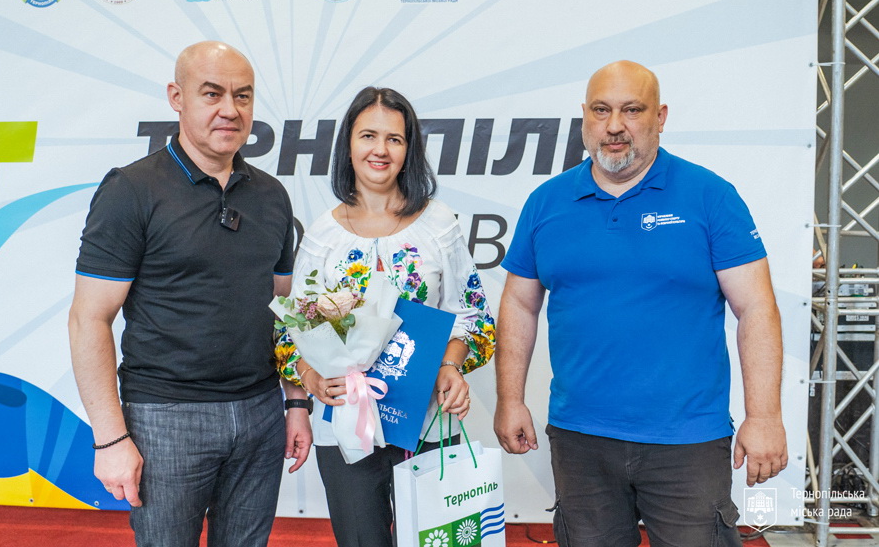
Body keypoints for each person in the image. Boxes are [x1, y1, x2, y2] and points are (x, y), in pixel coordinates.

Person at [493, 60, 787, 546]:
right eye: (601, 110)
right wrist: (510, 399)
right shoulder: (546, 202)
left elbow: (756, 307)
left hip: (687, 441)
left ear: (660, 116)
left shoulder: (710, 196)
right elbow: (519, 305)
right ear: (584, 116)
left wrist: (764, 417)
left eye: (632, 110)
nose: (614, 125)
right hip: (580, 439)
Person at [68, 41, 312, 547]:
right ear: (177, 97)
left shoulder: (272, 195)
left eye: (243, 96)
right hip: (165, 417)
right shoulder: (131, 190)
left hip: (260, 412)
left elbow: (284, 312)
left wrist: (295, 402)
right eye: (212, 94)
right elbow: (88, 319)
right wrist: (110, 438)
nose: (231, 110)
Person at [274, 87, 496, 547]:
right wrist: (312, 378)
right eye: (368, 136)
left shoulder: (439, 225)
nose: (380, 150)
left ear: (409, 150)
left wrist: (451, 365)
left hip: (428, 422)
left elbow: (474, 316)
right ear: (347, 145)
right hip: (346, 428)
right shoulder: (322, 236)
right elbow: (289, 333)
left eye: (394, 139)